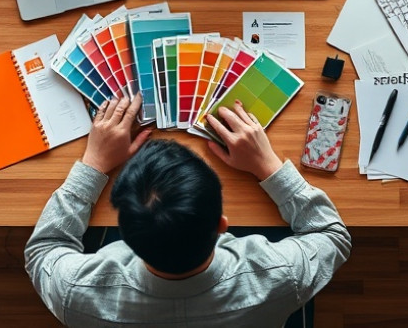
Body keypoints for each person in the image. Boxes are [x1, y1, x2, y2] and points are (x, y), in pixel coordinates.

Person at [25, 94, 352, 327]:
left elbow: (43, 250)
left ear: (124, 237)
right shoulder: (282, 275)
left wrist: (93, 164)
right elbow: (331, 235)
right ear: (223, 224)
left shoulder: (75, 292)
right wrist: (268, 166)